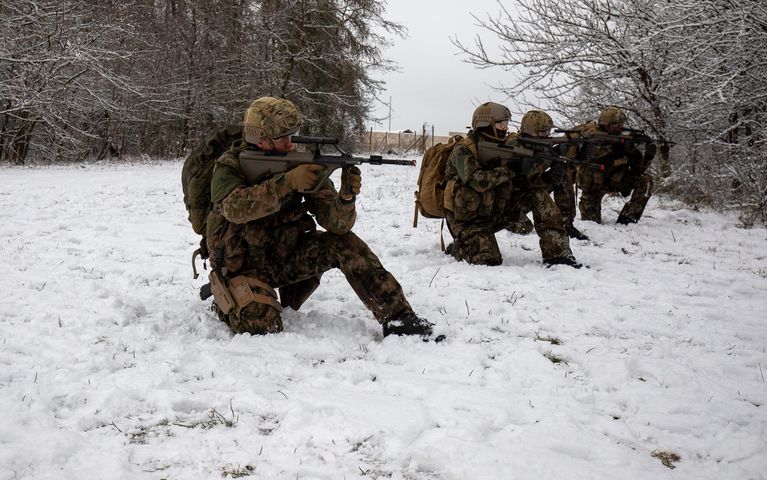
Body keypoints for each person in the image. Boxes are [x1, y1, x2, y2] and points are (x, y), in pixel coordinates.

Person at [205, 96, 436, 339]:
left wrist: (346, 199)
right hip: (243, 266)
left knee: (345, 244)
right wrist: (287, 183)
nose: (291, 143)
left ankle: (399, 318)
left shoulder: (301, 163)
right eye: (284, 137)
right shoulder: (230, 165)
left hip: (286, 258)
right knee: (263, 325)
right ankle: (225, 298)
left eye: (294, 134)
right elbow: (234, 208)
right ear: (260, 139)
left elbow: (337, 225)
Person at [443, 103, 583, 268]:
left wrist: (549, 177)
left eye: (506, 123)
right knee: (489, 260)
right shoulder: (463, 150)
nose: (505, 128)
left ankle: (557, 255)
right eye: (500, 123)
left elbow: (524, 184)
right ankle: (460, 246)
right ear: (485, 124)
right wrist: (511, 169)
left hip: (497, 211)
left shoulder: (505, 146)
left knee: (537, 193)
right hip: (468, 220)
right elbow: (477, 181)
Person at [560, 106, 655, 226]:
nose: (619, 126)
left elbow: (638, 169)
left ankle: (628, 219)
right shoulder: (592, 138)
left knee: (646, 180)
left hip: (616, 180)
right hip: (594, 186)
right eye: (615, 123)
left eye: (621, 123)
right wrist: (618, 149)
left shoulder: (624, 140)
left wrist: (648, 156)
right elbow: (593, 157)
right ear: (606, 124)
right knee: (591, 224)